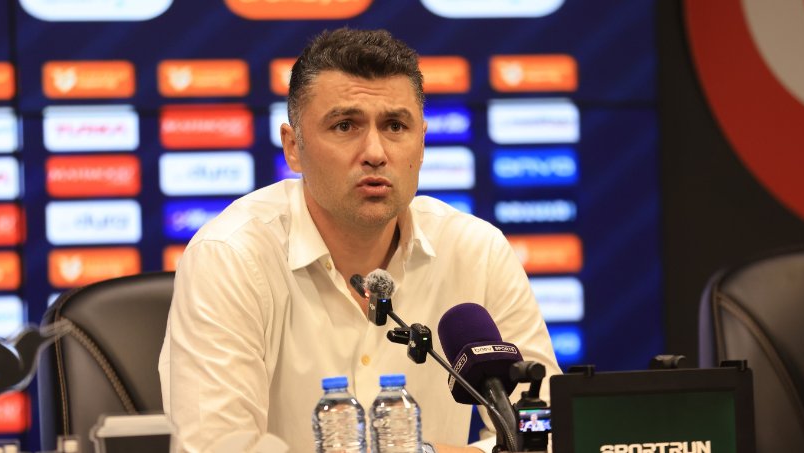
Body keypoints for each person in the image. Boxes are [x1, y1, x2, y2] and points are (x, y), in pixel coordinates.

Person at [159, 27, 561, 453]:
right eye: (345, 125)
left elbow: (547, 429)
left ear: (422, 143)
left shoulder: (476, 250)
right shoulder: (230, 256)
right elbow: (215, 446)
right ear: (293, 147)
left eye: (395, 126)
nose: (375, 152)